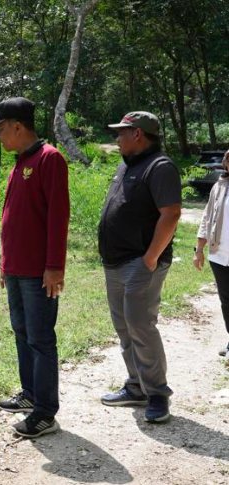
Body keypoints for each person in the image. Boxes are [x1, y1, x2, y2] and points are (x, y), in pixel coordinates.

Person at [0, 97, 70, 438]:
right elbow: (12, 219)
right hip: (17, 269)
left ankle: (46, 412)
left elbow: (57, 217)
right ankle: (30, 394)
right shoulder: (19, 162)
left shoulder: (50, 159)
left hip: (39, 272)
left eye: (1, 130)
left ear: (18, 126)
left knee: (41, 338)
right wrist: (5, 264)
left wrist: (54, 267)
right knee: (22, 333)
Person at [99, 111, 182, 423]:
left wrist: (150, 257)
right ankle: (136, 386)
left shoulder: (160, 166)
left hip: (140, 263)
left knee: (140, 325)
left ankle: (157, 393)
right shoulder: (127, 164)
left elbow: (171, 213)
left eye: (122, 132)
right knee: (124, 327)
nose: (117, 138)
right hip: (116, 262)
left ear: (138, 134)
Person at [194, 150, 229, 358]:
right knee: (226, 301)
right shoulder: (219, 186)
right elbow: (207, 218)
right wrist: (199, 250)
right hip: (219, 255)